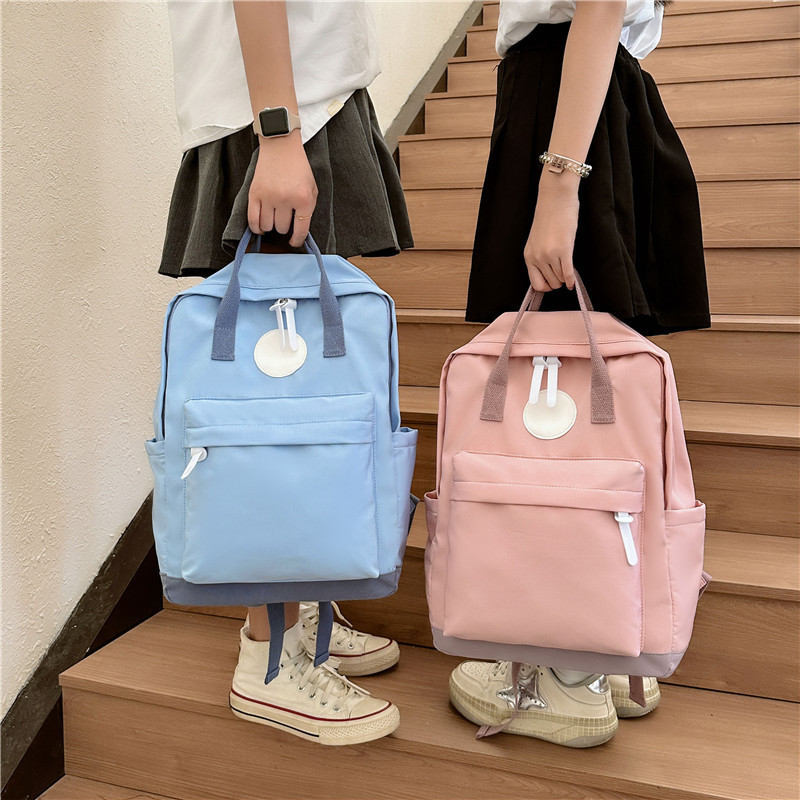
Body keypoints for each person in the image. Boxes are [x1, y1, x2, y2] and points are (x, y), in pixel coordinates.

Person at [450, 0, 710, 747]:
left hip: (565, 109)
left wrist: (559, 180)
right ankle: (604, 642)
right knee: (594, 400)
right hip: (599, 99)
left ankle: (565, 673)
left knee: (556, 398)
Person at [160, 0, 414, 746]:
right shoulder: (278, 123)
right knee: (275, 418)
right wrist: (276, 130)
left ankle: (303, 611)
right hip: (282, 110)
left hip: (303, 101)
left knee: (308, 407)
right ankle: (267, 659)